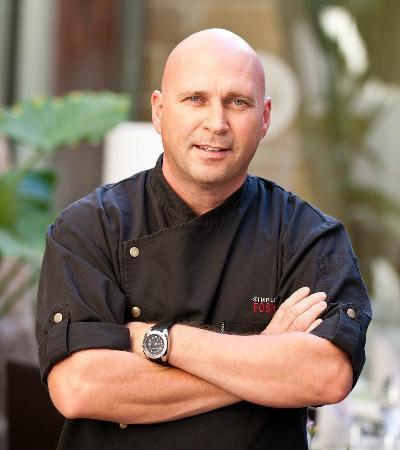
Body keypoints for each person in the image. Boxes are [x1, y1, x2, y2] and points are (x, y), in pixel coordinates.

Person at [35, 28, 371, 449]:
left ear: (265, 117)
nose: (216, 123)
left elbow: (326, 375)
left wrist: (160, 340)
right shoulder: (89, 228)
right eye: (195, 98)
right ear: (159, 111)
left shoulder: (307, 236)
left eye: (238, 102)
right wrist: (264, 356)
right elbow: (79, 387)